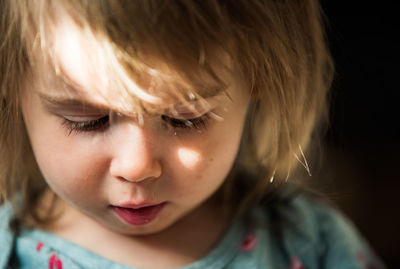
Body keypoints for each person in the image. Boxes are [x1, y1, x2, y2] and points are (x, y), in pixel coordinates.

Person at [0, 0, 386, 268]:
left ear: (259, 81)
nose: (137, 167)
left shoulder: (308, 239)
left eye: (185, 119)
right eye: (88, 120)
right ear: (11, 86)